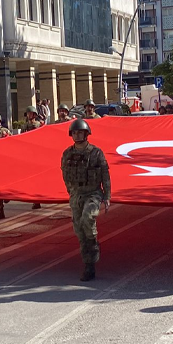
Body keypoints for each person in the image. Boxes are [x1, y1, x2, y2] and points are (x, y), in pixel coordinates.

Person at [61, 119, 111, 281]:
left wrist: (107, 195)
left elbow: (105, 175)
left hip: (93, 193)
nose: (77, 135)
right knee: (79, 231)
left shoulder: (96, 153)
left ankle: (94, 243)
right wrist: (71, 191)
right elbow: (64, 174)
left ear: (86, 133)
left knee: (88, 219)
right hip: (76, 194)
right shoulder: (67, 153)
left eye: (80, 132)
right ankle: (88, 265)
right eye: (74, 132)